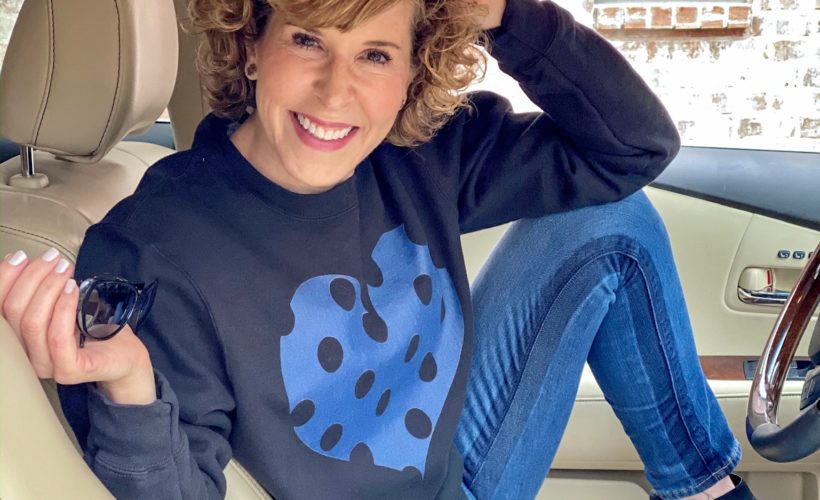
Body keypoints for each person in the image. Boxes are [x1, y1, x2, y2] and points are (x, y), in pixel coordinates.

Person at [0, 0, 756, 498]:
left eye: (375, 55)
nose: (336, 93)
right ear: (252, 46)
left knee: (610, 221)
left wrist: (508, 16)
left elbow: (632, 151)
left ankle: (705, 488)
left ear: (412, 75)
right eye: (307, 39)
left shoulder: (417, 154)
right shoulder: (158, 245)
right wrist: (130, 384)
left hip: (456, 470)